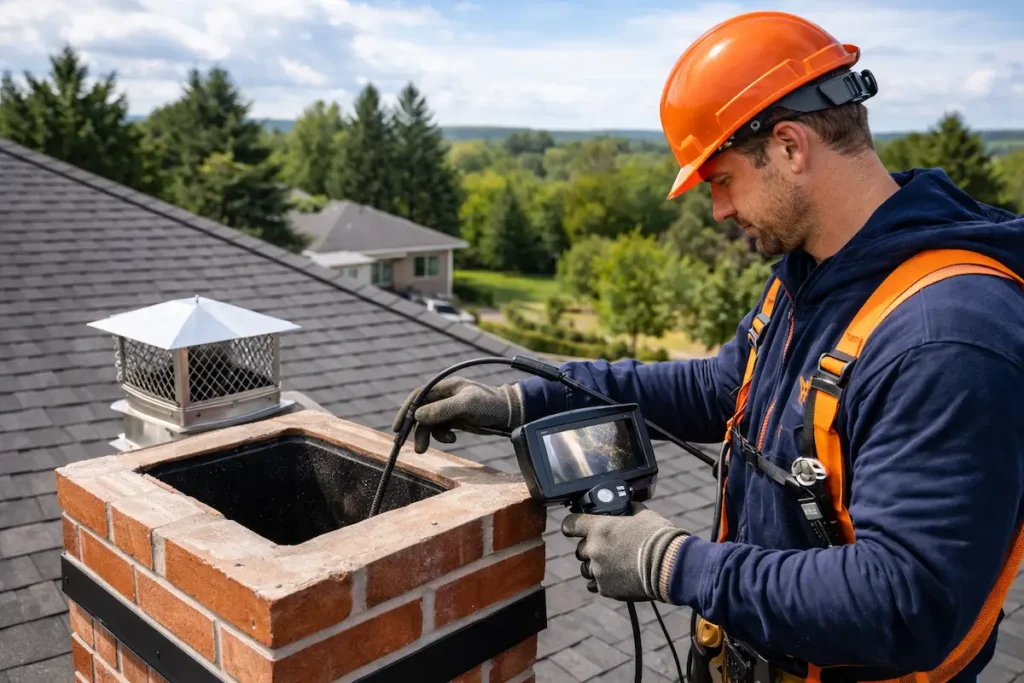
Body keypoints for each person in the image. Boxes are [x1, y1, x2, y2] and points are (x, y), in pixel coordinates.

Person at [393, 11, 1024, 683]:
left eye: (722, 179)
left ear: (790, 146)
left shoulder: (947, 337)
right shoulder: (814, 275)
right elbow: (717, 388)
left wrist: (673, 563)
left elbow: (906, 603)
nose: (719, 209)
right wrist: (523, 401)